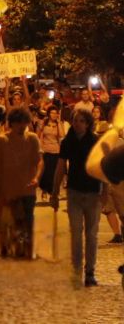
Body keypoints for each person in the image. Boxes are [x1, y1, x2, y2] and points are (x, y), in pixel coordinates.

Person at [52, 105, 101, 287]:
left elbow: (101, 166)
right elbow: (60, 167)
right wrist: (55, 192)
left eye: (81, 121)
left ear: (88, 124)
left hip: (93, 192)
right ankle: (76, 270)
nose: (77, 124)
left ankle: (90, 271)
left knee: (91, 234)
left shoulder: (95, 141)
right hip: (74, 192)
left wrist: (105, 191)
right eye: (75, 121)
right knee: (76, 234)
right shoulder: (67, 142)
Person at [0, 107, 43, 259]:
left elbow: (39, 161)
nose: (23, 127)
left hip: (27, 189)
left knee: (28, 220)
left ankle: (26, 248)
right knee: (7, 220)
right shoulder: (0, 141)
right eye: (19, 124)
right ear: (11, 124)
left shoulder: (32, 139)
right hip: (8, 189)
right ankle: (6, 245)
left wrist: (36, 178)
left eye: (25, 124)